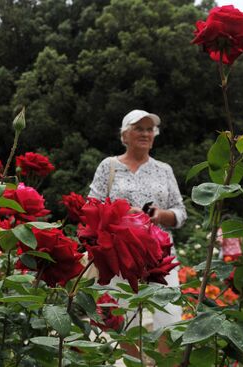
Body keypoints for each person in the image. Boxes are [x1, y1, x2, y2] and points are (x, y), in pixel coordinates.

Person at [88, 109, 187, 330]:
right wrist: (121, 215)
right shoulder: (109, 166)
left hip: (159, 253)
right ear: (124, 136)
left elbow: (181, 213)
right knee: (124, 317)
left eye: (149, 129)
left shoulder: (164, 170)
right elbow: (91, 206)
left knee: (170, 317)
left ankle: (164, 363)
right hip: (120, 253)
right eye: (138, 129)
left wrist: (158, 215)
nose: (145, 133)